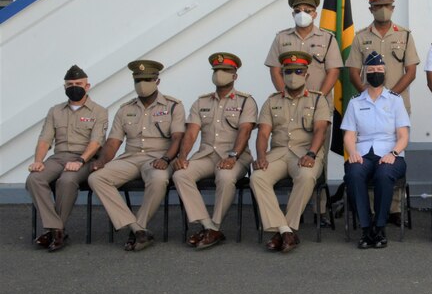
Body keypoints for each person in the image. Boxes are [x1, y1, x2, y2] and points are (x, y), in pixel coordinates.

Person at [88, 60, 185, 252]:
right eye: (138, 80)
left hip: (158, 157)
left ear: (157, 81)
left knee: (158, 179)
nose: (142, 84)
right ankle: (137, 229)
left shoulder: (174, 106)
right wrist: (101, 161)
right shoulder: (125, 109)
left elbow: (177, 138)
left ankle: (138, 228)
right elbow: (113, 143)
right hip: (131, 157)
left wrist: (166, 159)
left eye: (147, 79)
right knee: (96, 178)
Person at [345, 0, 419, 226]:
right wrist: (367, 92)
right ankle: (371, 210)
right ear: (371, 10)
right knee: (367, 156)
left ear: (393, 8)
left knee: (391, 154)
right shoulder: (360, 37)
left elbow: (411, 70)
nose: (383, 10)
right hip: (368, 102)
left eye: (387, 5)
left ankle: (393, 210)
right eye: (378, 6)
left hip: (395, 104)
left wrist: (391, 94)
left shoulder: (405, 36)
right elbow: (353, 71)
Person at [172, 53, 258, 250]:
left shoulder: (246, 102)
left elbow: (245, 131)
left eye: (226, 71)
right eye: (217, 70)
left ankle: (215, 224)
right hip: (206, 155)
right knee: (181, 174)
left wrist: (233, 156)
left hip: (235, 157)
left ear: (235, 76)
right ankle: (208, 226)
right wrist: (183, 157)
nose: (220, 74)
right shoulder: (201, 102)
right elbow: (191, 132)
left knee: (226, 177)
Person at [250, 52, 331, 253]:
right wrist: (260, 157)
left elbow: (321, 129)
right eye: (288, 72)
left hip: (305, 153)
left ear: (306, 74)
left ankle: (284, 231)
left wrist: (312, 154)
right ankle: (286, 231)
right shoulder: (272, 101)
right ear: (282, 74)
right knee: (257, 177)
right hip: (277, 153)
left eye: (298, 71)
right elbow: (263, 134)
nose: (293, 76)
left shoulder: (317, 100)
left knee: (306, 176)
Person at [26, 65, 107, 252]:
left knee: (67, 180)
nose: (74, 86)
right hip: (58, 157)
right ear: (64, 87)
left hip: (84, 158)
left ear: (87, 86)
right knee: (34, 179)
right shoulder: (55, 111)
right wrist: (38, 161)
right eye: (69, 84)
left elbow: (95, 142)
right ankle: (57, 229)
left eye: (78, 83)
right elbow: (45, 140)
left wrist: (80, 161)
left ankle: (54, 231)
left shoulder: (99, 111)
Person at [342, 51, 410, 249]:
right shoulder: (355, 102)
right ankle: (366, 229)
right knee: (353, 174)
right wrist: (352, 152)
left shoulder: (395, 100)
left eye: (379, 70)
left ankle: (380, 227)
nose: (375, 73)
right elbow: (348, 135)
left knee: (384, 175)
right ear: (364, 73)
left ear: (385, 73)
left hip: (391, 153)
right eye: (371, 70)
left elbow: (403, 135)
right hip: (362, 153)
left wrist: (393, 154)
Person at [264, 0, 341, 96]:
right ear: (293, 14)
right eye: (297, 11)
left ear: (314, 14)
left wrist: (319, 98)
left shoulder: (327, 39)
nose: (302, 14)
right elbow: (275, 71)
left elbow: (333, 72)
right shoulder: (281, 38)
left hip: (318, 103)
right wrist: (285, 96)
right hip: (288, 103)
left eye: (307, 11)